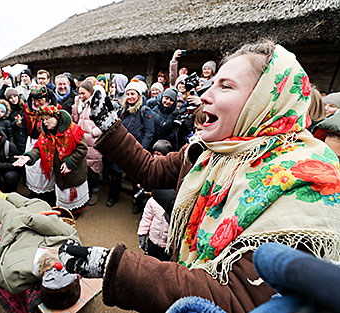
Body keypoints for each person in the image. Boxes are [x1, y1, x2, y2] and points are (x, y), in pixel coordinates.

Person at [58, 41, 340, 313]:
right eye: (213, 82)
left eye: (225, 86)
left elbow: (235, 299)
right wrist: (112, 127)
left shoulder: (308, 179)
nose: (205, 94)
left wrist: (116, 268)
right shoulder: (211, 149)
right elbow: (152, 170)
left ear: (265, 101)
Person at [14, 105, 89, 217]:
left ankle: (75, 211)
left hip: (74, 171)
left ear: (56, 117)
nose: (44, 123)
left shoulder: (74, 130)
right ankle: (65, 209)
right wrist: (29, 157)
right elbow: (39, 148)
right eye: (42, 120)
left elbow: (82, 149)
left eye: (47, 119)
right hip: (59, 171)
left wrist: (69, 162)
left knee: (74, 192)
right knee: (62, 193)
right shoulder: (46, 134)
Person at [106, 80, 154, 208]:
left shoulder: (145, 110)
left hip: (135, 149)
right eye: (128, 94)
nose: (130, 97)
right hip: (120, 147)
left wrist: (140, 149)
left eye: (133, 94)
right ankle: (113, 196)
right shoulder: (123, 109)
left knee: (135, 178)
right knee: (115, 175)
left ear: (138, 95)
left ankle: (137, 202)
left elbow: (149, 133)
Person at [18, 86, 58, 205]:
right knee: (32, 168)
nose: (36, 102)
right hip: (32, 142)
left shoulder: (55, 109)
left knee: (47, 169)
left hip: (48, 142)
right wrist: (22, 145)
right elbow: (24, 128)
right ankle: (35, 193)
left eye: (39, 99)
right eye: (34, 99)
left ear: (46, 98)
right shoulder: (27, 109)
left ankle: (49, 194)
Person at [71, 81, 105, 206]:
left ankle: (95, 191)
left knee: (93, 169)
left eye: (83, 93)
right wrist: (75, 106)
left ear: (90, 92)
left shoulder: (98, 104)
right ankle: (87, 192)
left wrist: (93, 132)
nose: (80, 96)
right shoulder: (82, 104)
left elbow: (106, 123)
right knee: (84, 168)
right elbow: (76, 120)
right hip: (82, 142)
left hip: (93, 142)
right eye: (79, 93)